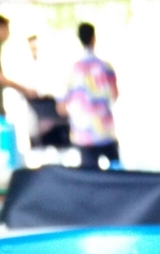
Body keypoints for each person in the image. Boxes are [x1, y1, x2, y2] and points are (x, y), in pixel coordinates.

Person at [58, 22, 119, 170]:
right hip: (105, 131)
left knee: (90, 178)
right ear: (94, 38)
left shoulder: (72, 70)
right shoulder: (106, 67)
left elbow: (61, 107)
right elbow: (115, 95)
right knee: (116, 173)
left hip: (83, 133)